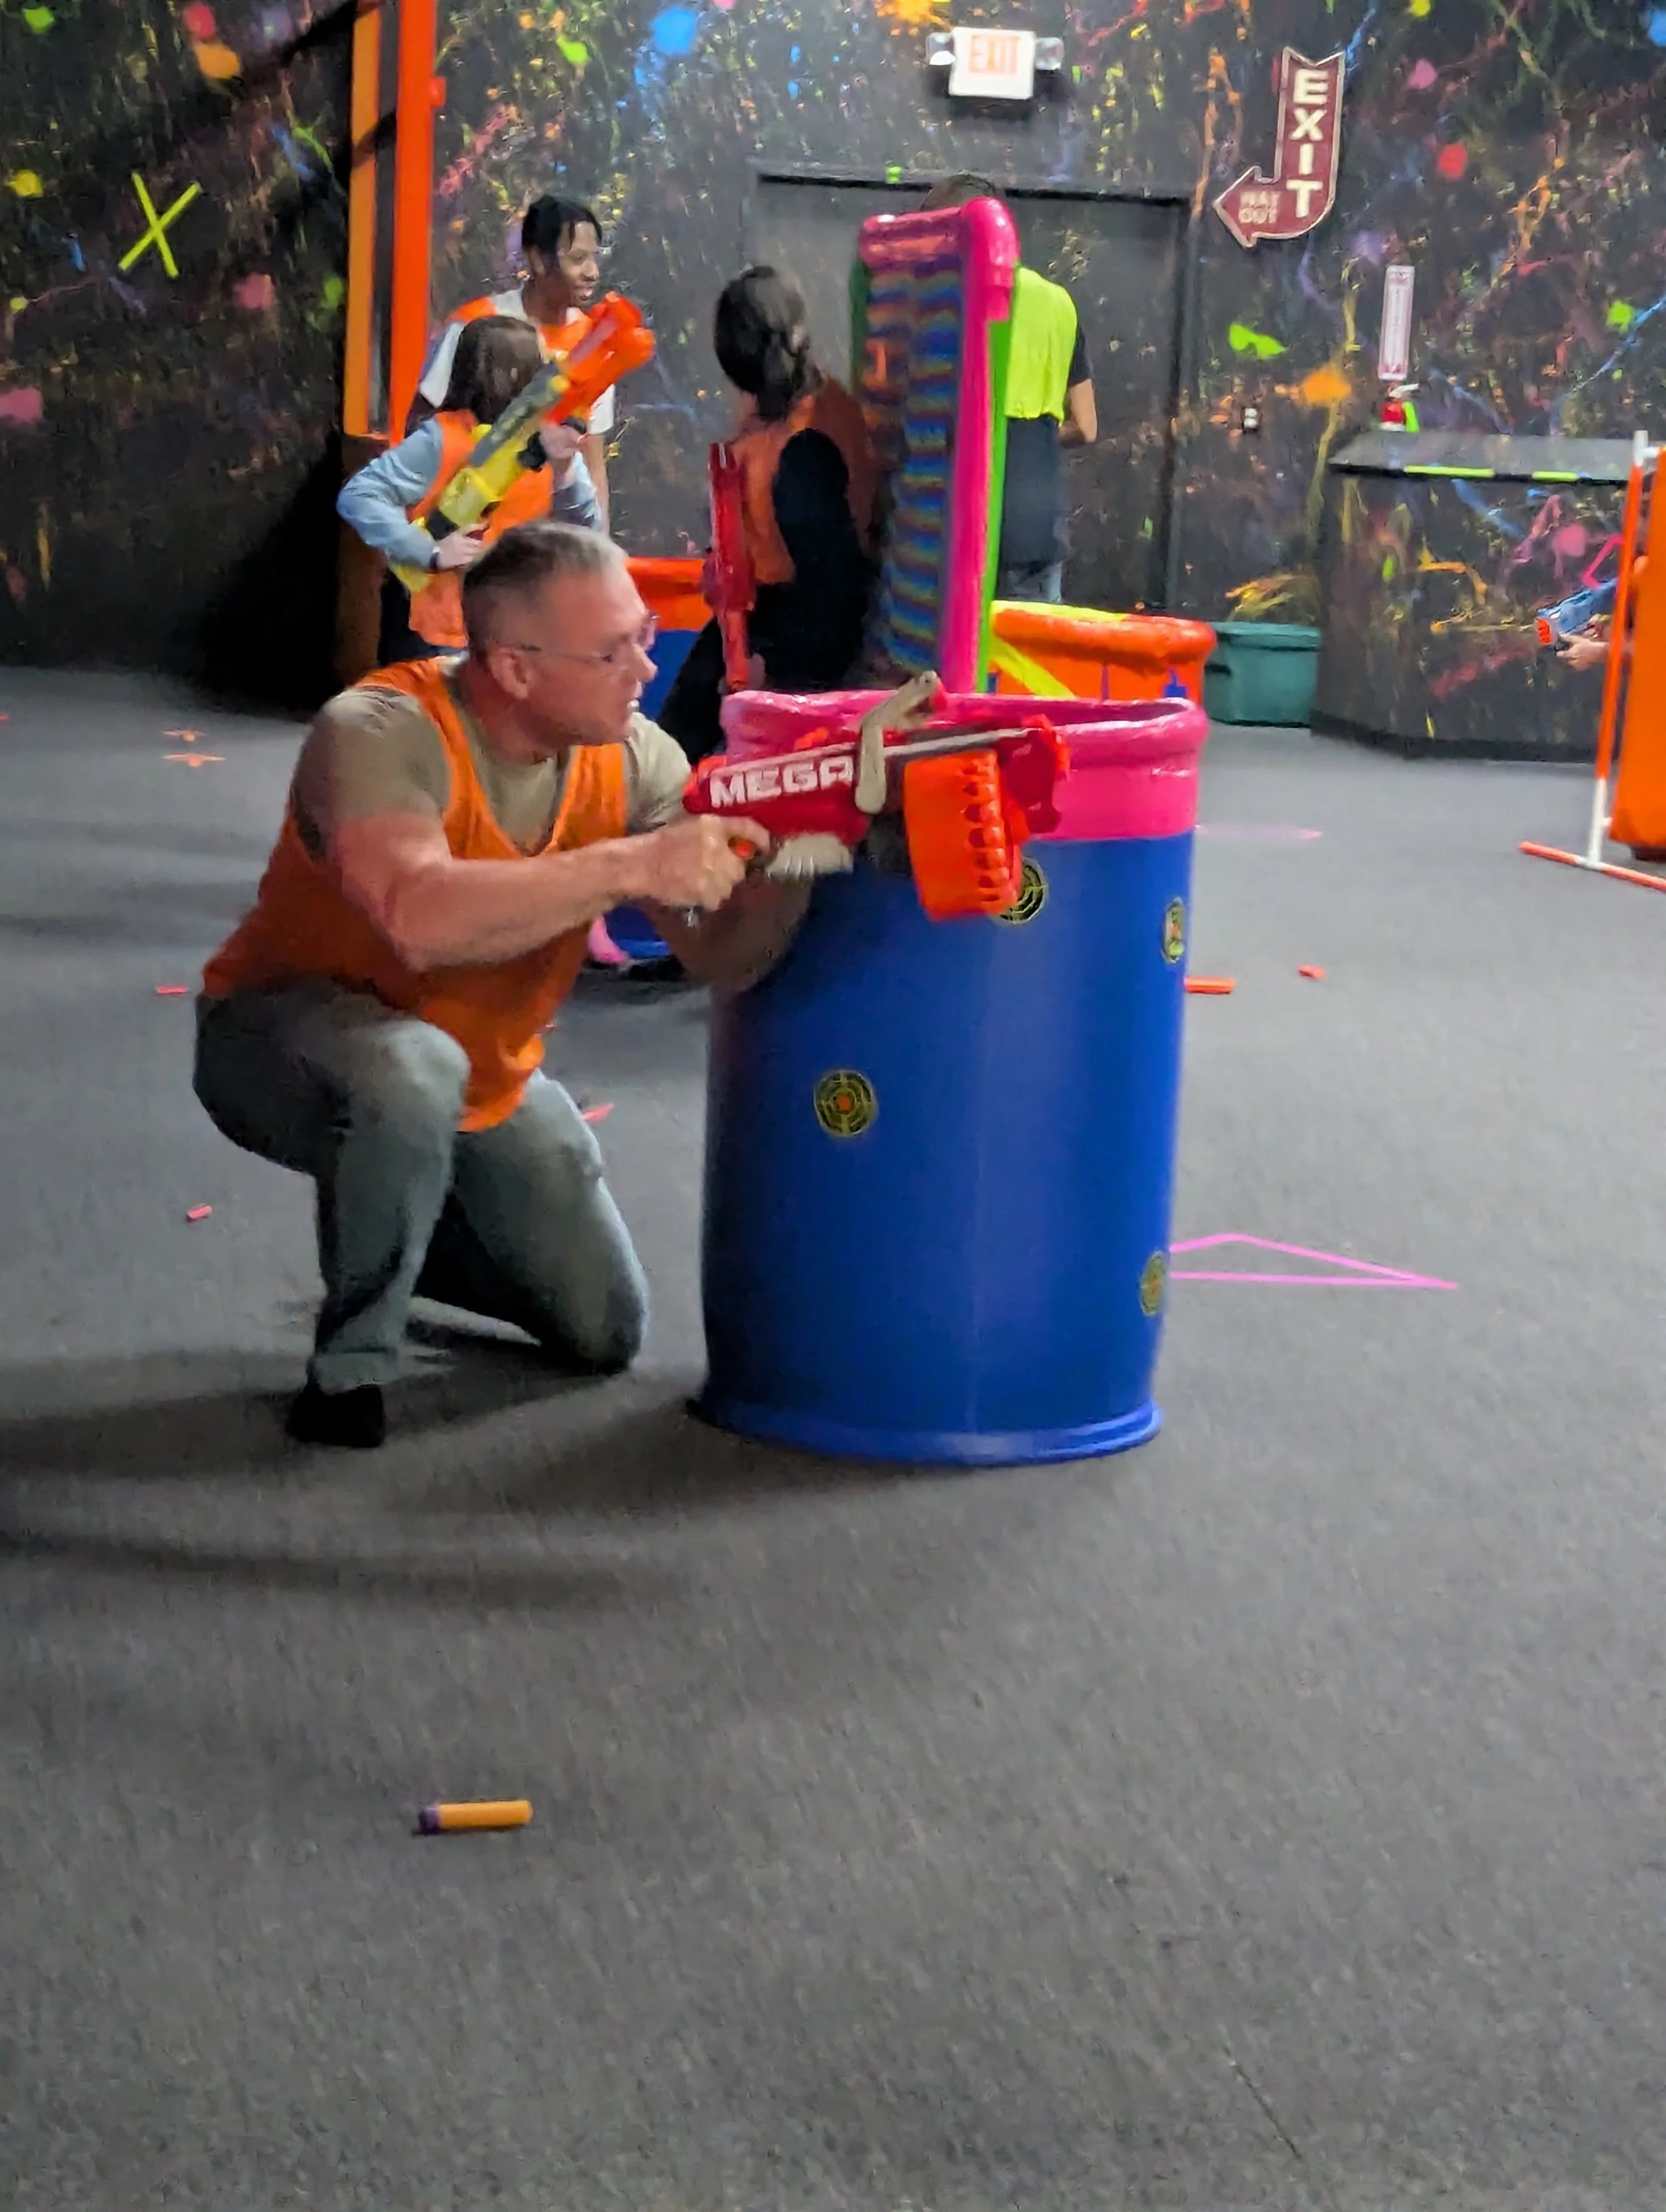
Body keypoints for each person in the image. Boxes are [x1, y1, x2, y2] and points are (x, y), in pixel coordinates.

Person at [193, 523, 801, 1450]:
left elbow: (719, 956)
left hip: (484, 1074)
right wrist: (634, 863)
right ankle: (350, 1371)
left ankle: (394, 1219)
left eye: (644, 636)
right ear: (515, 670)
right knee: (409, 1072)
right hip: (273, 1042)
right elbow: (421, 918)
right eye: (614, 651)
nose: (646, 668)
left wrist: (793, 862)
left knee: (603, 1331)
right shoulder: (379, 731)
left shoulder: (635, 755)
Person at [656, 266, 879, 765]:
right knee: (667, 746)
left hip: (796, 641)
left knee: (675, 752)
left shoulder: (803, 452)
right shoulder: (799, 407)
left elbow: (833, 593)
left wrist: (770, 673)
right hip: (761, 620)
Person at [339, 315, 601, 665]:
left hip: (518, 633)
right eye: (537, 365)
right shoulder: (442, 438)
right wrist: (427, 550)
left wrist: (566, 469)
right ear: (510, 374)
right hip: (439, 635)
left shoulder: (548, 440)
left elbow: (588, 532)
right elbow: (360, 495)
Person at [921, 175, 1097, 604]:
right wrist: (1030, 436)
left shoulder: (950, 303)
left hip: (968, 531)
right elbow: (1087, 427)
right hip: (1042, 526)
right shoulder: (1059, 303)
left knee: (963, 666)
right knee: (1031, 666)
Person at [412, 196, 621, 526]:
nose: (592, 272)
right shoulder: (476, 324)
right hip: (464, 535)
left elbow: (593, 456)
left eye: (594, 258)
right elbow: (420, 426)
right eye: (578, 258)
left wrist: (599, 549)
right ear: (537, 260)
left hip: (542, 547)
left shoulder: (594, 341)